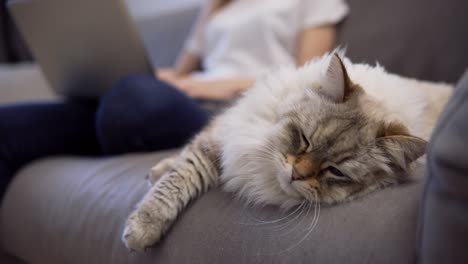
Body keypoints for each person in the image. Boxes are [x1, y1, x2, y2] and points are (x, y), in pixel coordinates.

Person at [0, 0, 349, 198]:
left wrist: (204, 87)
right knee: (9, 126)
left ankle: (119, 120)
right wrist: (168, 78)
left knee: (130, 101)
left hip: (227, 112)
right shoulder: (218, 5)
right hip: (178, 99)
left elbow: (306, 80)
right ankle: (116, 122)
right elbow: (183, 72)